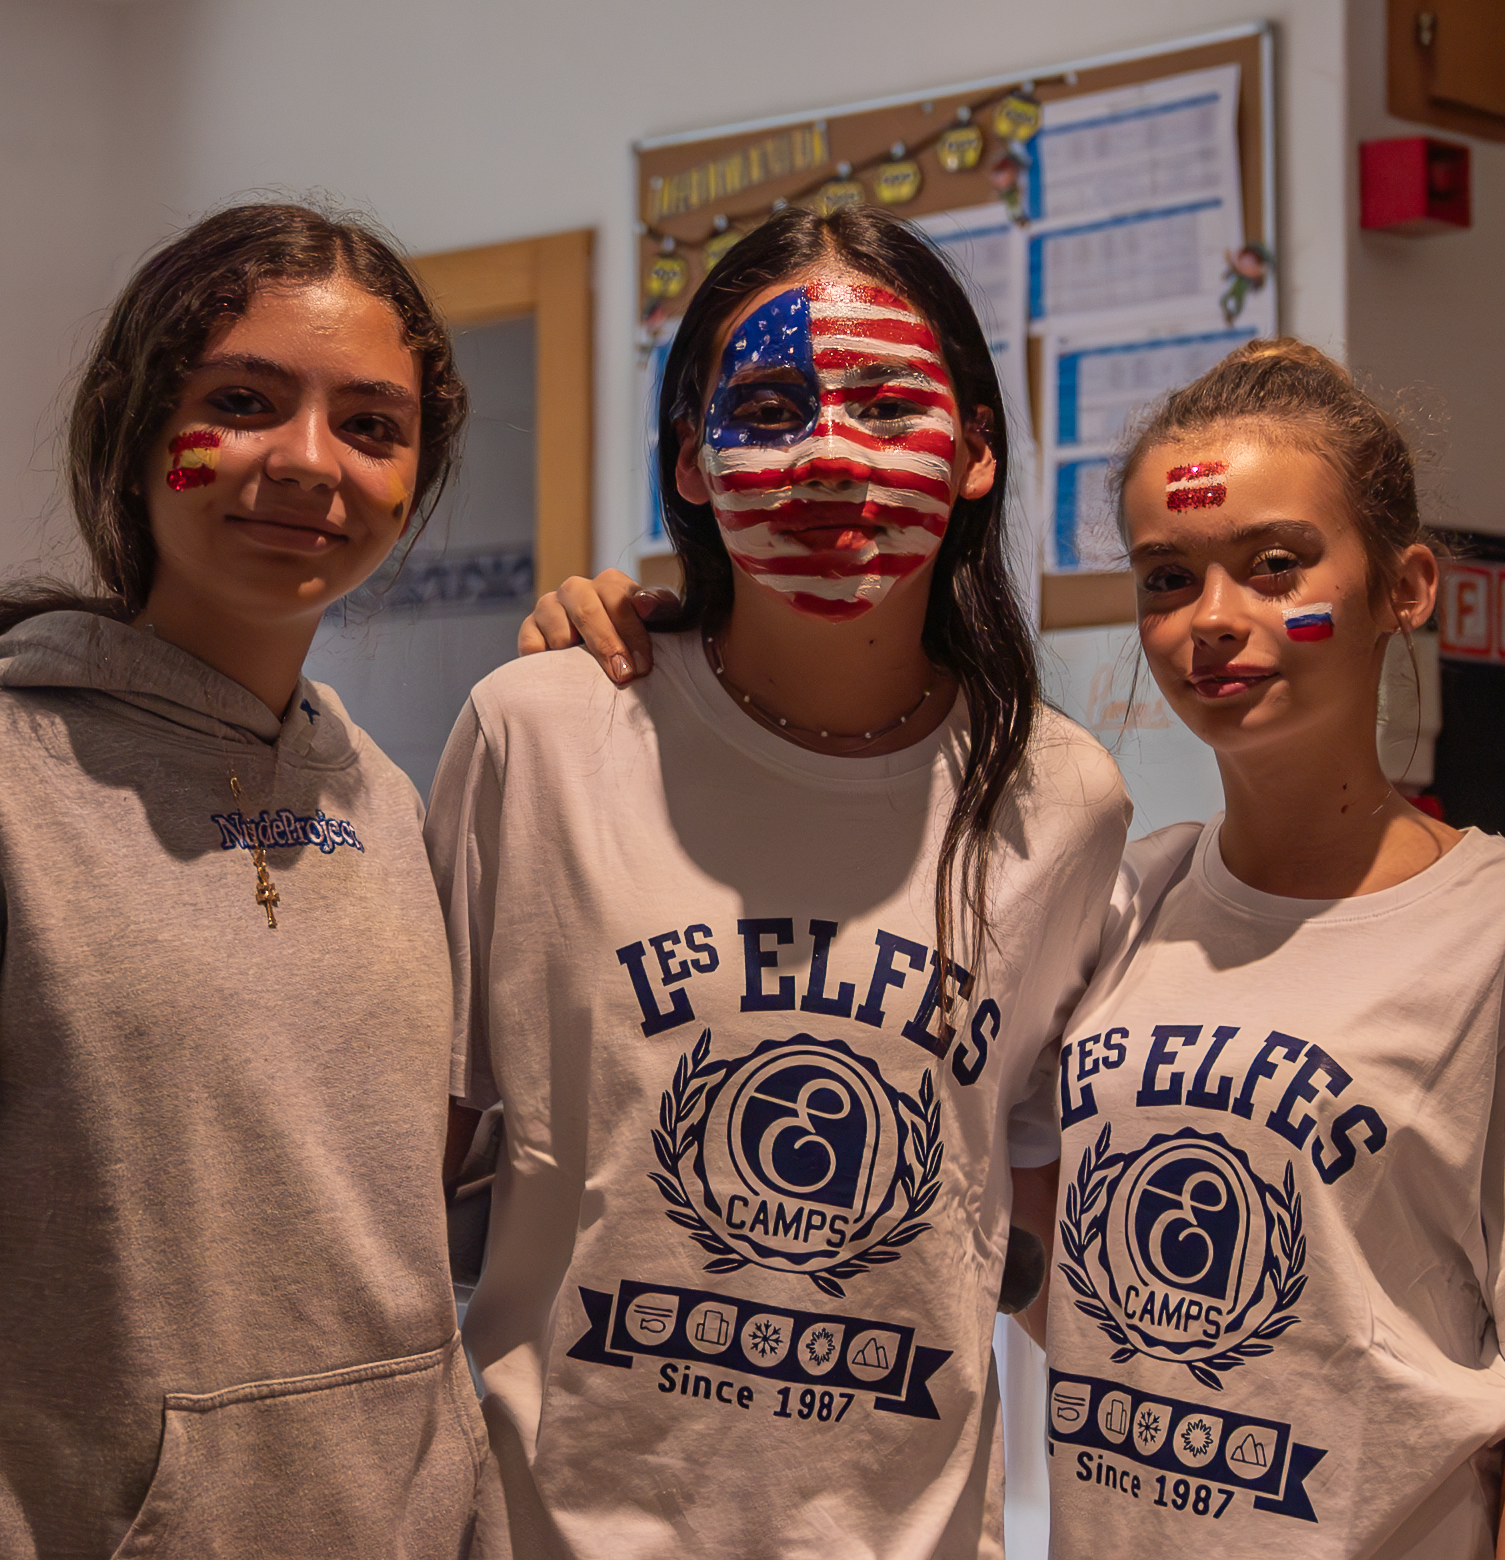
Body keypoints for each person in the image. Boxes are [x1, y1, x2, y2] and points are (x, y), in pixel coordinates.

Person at [0, 203, 496, 1558]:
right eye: (243, 402)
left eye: (372, 425)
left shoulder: (386, 800)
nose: (310, 463)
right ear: (133, 432)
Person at [430, 205, 1128, 1559]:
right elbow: (402, 1178)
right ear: (689, 461)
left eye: (885, 403)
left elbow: (1027, 1208)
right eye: (767, 406)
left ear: (977, 454)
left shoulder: (1063, 798)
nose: (827, 452)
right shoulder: (542, 734)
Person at [1032, 340, 1505, 1560]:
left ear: (1406, 587)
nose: (1211, 622)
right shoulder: (1121, 899)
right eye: (1167, 577)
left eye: (1274, 565)